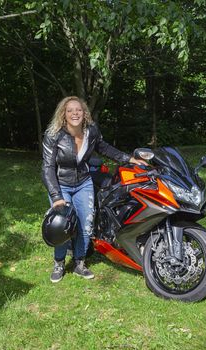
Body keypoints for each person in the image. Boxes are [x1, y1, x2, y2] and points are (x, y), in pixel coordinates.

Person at [42, 96, 147, 283]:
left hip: (83, 182)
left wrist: (129, 159)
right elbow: (47, 167)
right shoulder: (54, 135)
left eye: (78, 110)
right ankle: (59, 263)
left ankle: (79, 263)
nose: (75, 113)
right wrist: (56, 196)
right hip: (61, 185)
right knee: (62, 227)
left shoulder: (91, 131)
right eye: (70, 110)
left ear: (84, 113)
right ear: (63, 115)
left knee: (85, 224)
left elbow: (104, 148)